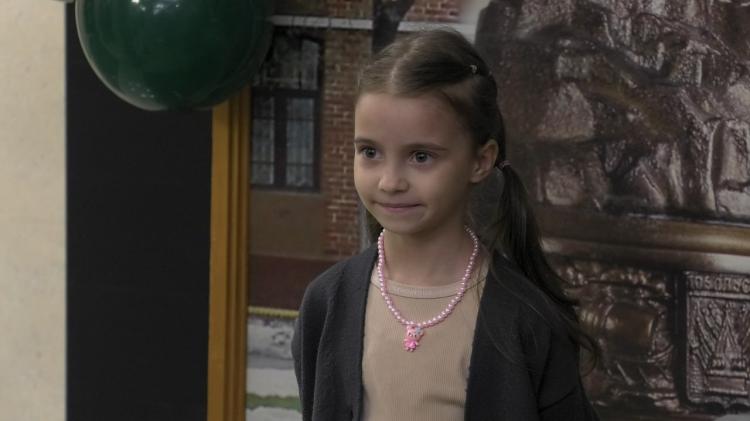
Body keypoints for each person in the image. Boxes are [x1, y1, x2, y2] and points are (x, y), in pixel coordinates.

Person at [292, 28, 601, 421]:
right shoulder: (326, 302)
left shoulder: (527, 319)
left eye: (421, 156)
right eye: (369, 152)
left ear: (480, 161)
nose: (390, 182)